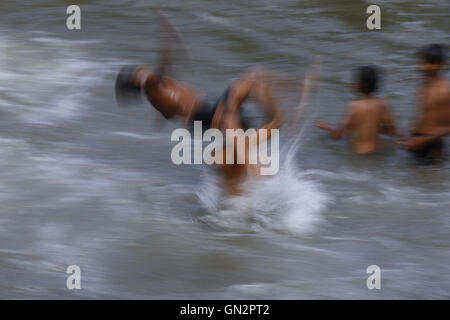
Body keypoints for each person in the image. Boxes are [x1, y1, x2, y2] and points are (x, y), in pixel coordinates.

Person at [116, 58, 284, 195]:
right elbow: (161, 70)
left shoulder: (156, 93)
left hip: (209, 110)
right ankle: (276, 123)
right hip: (209, 113)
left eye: (140, 69)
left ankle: (242, 193)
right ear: (137, 80)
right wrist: (166, 43)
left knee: (233, 163)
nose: (144, 69)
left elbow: (168, 110)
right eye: (139, 72)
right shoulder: (152, 85)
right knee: (253, 80)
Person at [316, 66, 396, 154]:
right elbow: (392, 131)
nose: (353, 83)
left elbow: (340, 135)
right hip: (377, 153)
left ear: (361, 84)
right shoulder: (383, 104)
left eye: (355, 81)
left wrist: (327, 127)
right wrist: (375, 127)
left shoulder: (354, 105)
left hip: (359, 154)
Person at [399, 44, 450, 159]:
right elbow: (424, 115)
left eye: (430, 63)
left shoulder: (445, 90)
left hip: (431, 145)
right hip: (417, 142)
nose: (424, 66)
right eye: (422, 62)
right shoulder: (425, 83)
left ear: (441, 65)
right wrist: (409, 135)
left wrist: (424, 140)